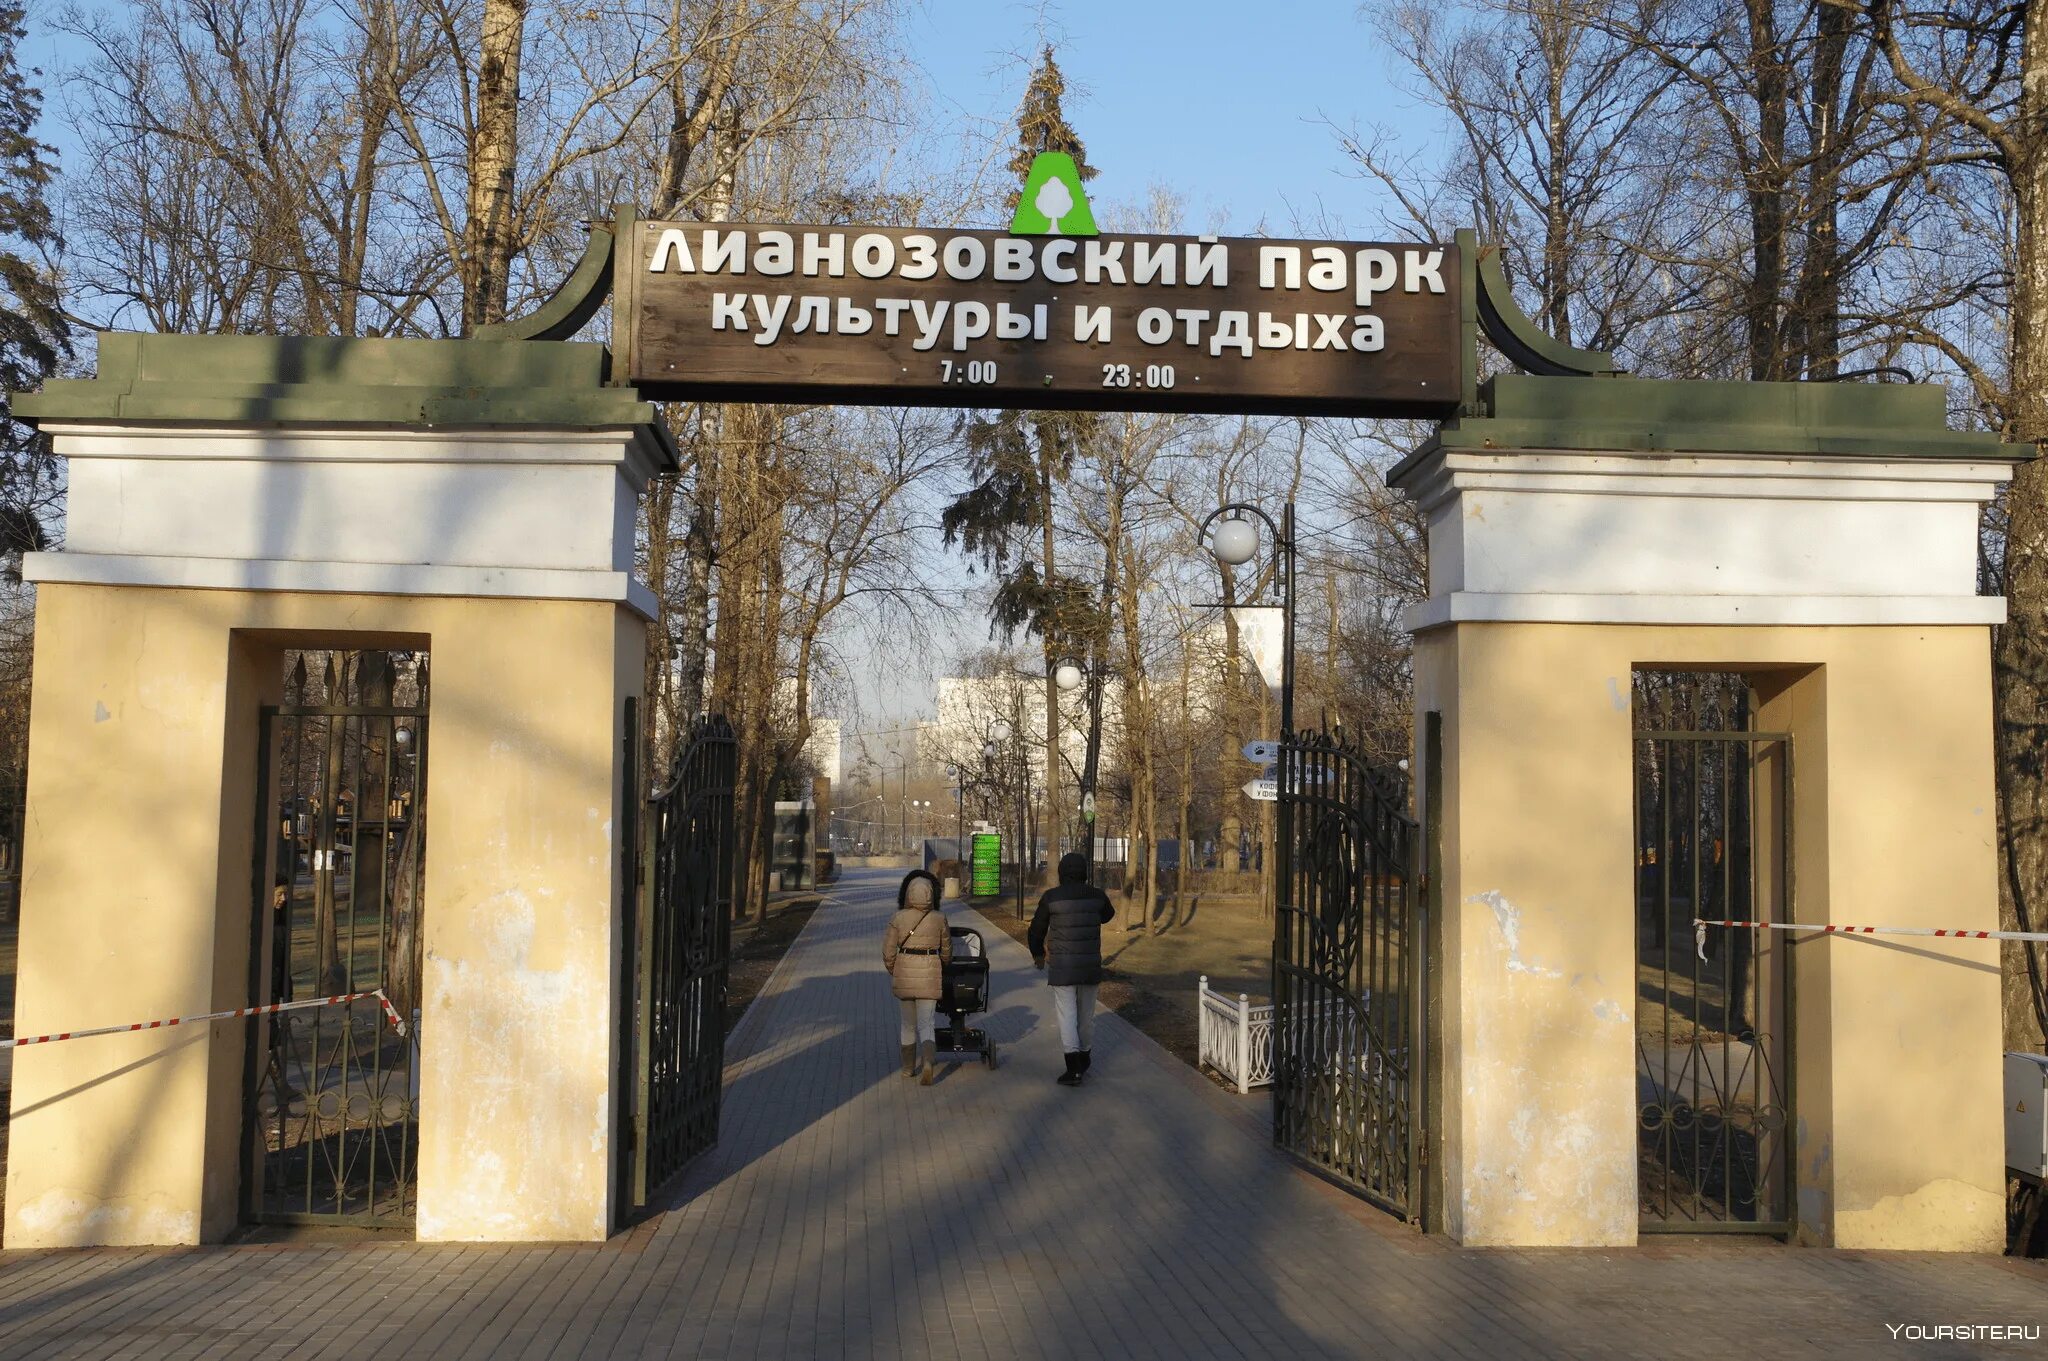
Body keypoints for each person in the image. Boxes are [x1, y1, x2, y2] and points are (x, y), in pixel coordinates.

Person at [1028, 851, 1114, 1087]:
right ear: (1085, 872)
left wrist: (1037, 954)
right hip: (1089, 967)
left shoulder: (1051, 898)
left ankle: (1073, 1067)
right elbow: (1108, 915)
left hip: (1062, 967)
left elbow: (1036, 929)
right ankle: (1085, 1057)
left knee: (1067, 1016)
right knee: (1086, 1016)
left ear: (1062, 873)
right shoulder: (1096, 896)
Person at [881, 869, 950, 1085]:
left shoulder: (898, 918)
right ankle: (928, 1062)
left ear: (909, 894)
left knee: (907, 1025)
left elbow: (888, 950)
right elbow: (947, 949)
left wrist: (894, 969)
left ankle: (908, 1068)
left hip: (905, 972)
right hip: (929, 973)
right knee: (927, 1023)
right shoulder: (939, 918)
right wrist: (943, 966)